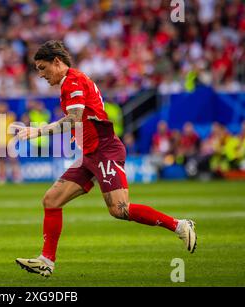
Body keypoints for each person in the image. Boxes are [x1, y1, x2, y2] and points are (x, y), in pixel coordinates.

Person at [12, 40, 197, 278]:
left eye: (42, 68)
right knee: (51, 200)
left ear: (57, 62)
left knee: (120, 209)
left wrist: (38, 130)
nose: (40, 75)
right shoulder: (70, 82)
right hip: (90, 153)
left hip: (105, 150)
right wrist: (77, 138)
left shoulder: (74, 81)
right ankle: (46, 261)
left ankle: (180, 226)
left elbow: (75, 117)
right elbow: (85, 118)